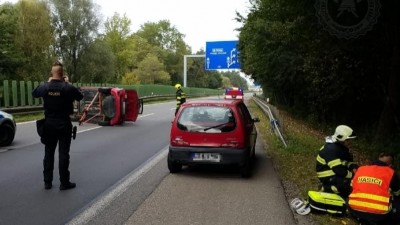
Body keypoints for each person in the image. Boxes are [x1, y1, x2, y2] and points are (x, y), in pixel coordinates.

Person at [32, 61, 83, 190]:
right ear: (62, 74)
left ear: (51, 73)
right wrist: (67, 83)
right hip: (64, 124)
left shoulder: (45, 87)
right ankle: (64, 183)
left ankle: (47, 182)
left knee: (48, 153)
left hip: (49, 124)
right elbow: (80, 96)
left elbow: (34, 93)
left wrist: (48, 82)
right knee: (63, 154)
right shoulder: (67, 87)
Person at [348, 152, 400, 225]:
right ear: (390, 165)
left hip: (354, 210)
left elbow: (352, 187)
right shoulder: (391, 173)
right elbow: (397, 192)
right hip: (379, 216)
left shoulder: (361, 169)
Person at [316, 125, 359, 198]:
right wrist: (352, 175)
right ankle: (325, 188)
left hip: (333, 172)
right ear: (342, 138)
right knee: (348, 186)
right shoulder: (331, 149)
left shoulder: (339, 147)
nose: (350, 142)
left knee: (352, 184)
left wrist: (352, 166)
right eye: (348, 140)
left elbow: (343, 162)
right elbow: (338, 169)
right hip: (327, 175)